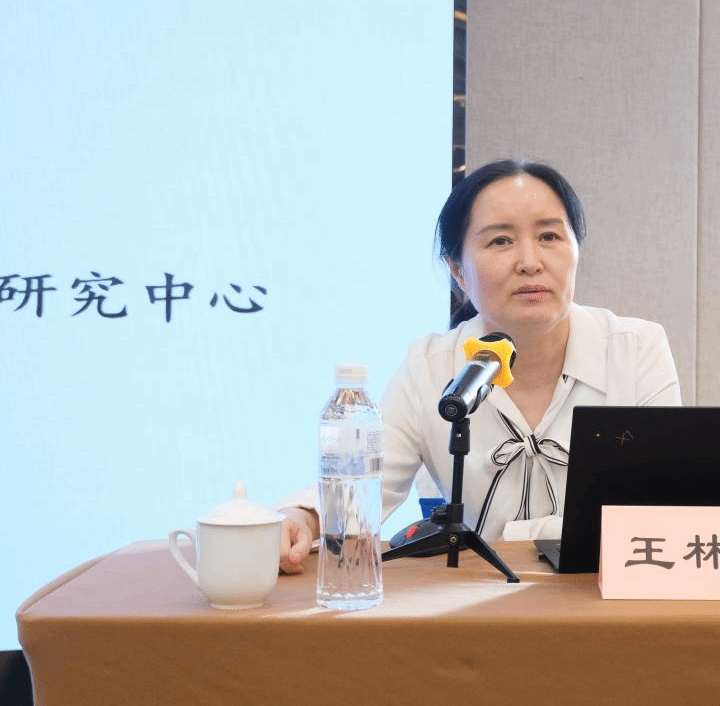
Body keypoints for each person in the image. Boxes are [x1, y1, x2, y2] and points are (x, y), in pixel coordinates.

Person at [277, 159, 682, 573]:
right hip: (480, 593)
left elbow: (670, 503)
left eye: (549, 236)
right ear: (457, 271)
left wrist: (522, 536)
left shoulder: (636, 350)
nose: (530, 262)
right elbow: (366, 485)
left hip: (606, 592)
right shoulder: (430, 367)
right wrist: (303, 517)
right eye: (500, 241)